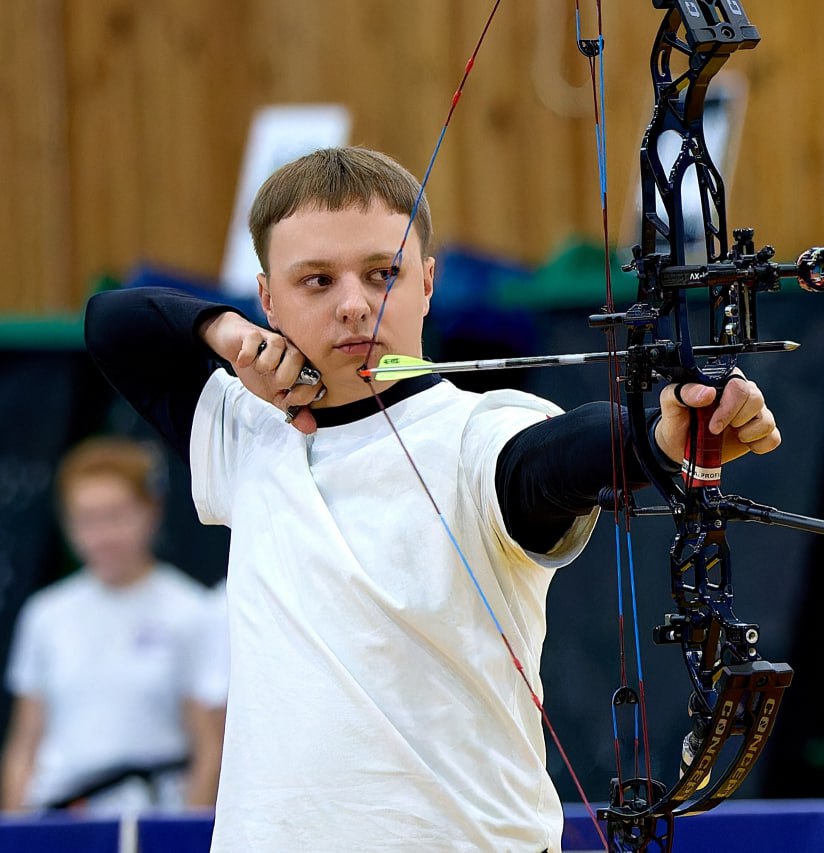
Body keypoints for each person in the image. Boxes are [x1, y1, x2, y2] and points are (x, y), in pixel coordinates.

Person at [83, 146, 780, 851]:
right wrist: (225, 331)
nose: (354, 304)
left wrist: (655, 436)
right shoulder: (247, 432)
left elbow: (549, 463)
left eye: (382, 273)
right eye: (316, 280)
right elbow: (113, 322)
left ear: (426, 281)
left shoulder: (482, 433)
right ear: (268, 300)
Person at [1, 437, 226, 814]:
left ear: (151, 510)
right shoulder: (45, 614)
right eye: (86, 519)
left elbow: (210, 747)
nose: (102, 536)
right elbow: (25, 744)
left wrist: (186, 832)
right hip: (57, 818)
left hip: (148, 818)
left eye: (116, 516)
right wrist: (15, 829)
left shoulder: (190, 611)